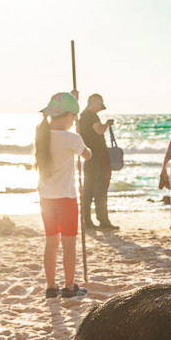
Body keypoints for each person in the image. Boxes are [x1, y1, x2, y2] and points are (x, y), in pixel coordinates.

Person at [35, 92, 91, 298]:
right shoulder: (72, 138)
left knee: (51, 243)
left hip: (46, 198)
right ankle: (69, 286)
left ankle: (51, 286)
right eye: (73, 117)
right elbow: (88, 154)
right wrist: (79, 138)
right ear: (68, 116)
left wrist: (71, 99)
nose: (74, 121)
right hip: (66, 199)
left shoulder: (41, 134)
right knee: (69, 245)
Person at [77, 93, 117, 231]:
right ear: (95, 103)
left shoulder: (82, 117)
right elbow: (99, 130)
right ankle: (103, 220)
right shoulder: (91, 116)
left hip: (89, 155)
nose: (100, 107)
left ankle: (87, 220)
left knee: (88, 188)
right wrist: (106, 124)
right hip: (98, 156)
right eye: (100, 104)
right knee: (100, 188)